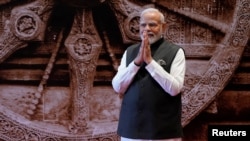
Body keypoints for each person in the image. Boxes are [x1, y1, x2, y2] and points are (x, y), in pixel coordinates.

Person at [112, 7, 186, 141]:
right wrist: (136, 63)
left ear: (163, 27)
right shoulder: (130, 52)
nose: (147, 29)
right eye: (143, 25)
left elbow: (175, 89)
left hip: (163, 131)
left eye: (152, 24)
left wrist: (150, 62)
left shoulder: (175, 52)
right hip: (132, 128)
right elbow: (118, 87)